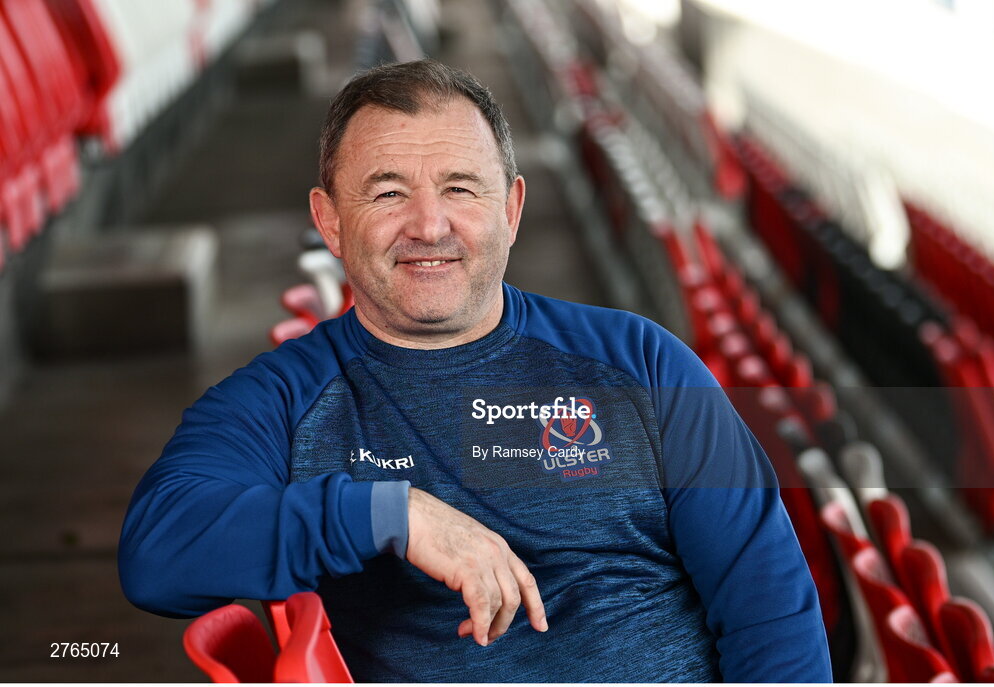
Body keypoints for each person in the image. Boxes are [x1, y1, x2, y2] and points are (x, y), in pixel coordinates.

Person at [120, 59, 831, 682]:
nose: (429, 225)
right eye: (388, 192)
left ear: (512, 209)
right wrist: (387, 512)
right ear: (331, 219)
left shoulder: (642, 363)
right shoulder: (284, 401)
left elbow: (769, 611)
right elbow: (157, 552)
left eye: (461, 188)